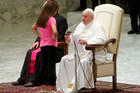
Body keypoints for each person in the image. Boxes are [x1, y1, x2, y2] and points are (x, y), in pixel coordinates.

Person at [12, 0, 68, 87]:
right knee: (30, 52)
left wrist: (51, 39)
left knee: (39, 54)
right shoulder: (44, 18)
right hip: (44, 43)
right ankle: (23, 78)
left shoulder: (62, 20)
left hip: (55, 47)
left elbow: (60, 35)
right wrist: (38, 41)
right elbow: (42, 32)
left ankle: (34, 80)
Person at [56, 8, 107, 93]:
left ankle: (77, 86)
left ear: (91, 17)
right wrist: (69, 39)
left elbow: (102, 40)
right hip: (81, 53)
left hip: (94, 53)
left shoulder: (97, 26)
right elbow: (75, 39)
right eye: (82, 16)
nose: (83, 18)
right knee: (64, 59)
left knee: (84, 62)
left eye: (85, 16)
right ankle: (64, 86)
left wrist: (87, 42)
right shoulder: (80, 26)